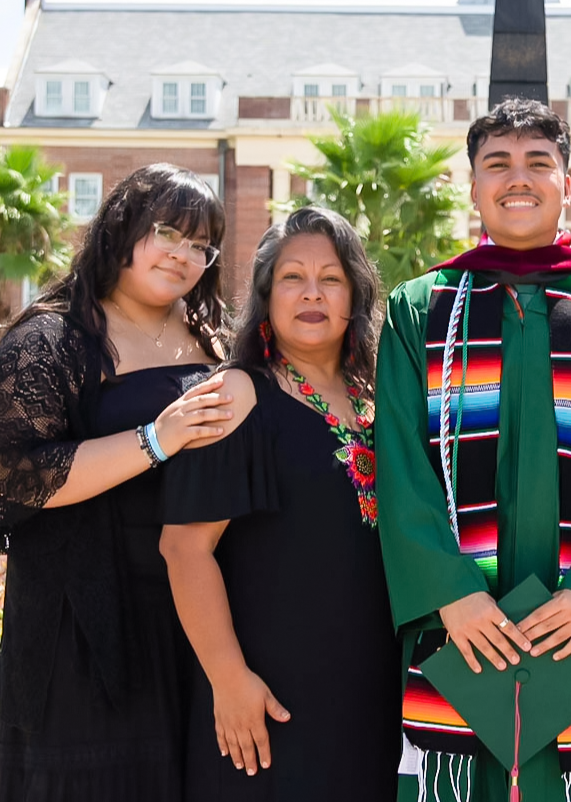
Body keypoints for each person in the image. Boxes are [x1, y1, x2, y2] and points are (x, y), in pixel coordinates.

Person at [375, 98, 571, 802]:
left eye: (537, 163)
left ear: (566, 183)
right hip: (459, 626)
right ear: (473, 184)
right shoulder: (421, 308)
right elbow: (399, 465)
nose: (517, 179)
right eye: (497, 164)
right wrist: (449, 594)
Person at [0, 163, 233, 802]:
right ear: (123, 229)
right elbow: (18, 475)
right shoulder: (52, 338)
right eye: (169, 233)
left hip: (199, 611)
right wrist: (158, 438)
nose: (185, 255)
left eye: (200, 245)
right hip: (87, 622)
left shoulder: (214, 339)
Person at [160, 206, 400, 801]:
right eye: (293, 277)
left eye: (331, 278)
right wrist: (229, 678)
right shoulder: (236, 394)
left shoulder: (381, 399)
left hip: (368, 696)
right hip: (265, 701)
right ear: (267, 295)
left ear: (356, 296)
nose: (312, 293)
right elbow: (184, 549)